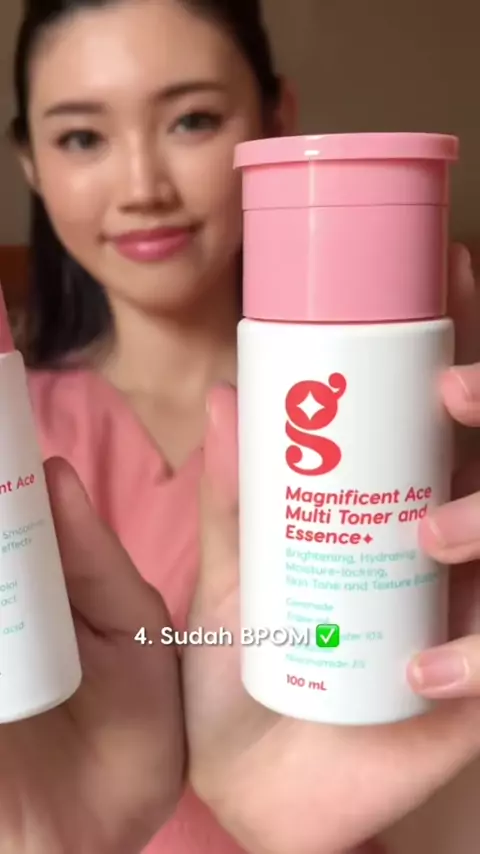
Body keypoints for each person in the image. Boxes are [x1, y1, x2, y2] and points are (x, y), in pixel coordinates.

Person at [4, 0, 480, 852]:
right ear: (30, 164)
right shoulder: (14, 449)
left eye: (191, 119)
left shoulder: (426, 431)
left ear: (276, 121)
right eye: (81, 137)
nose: (143, 187)